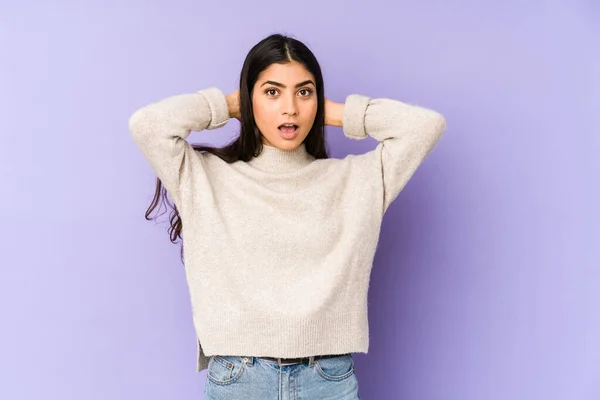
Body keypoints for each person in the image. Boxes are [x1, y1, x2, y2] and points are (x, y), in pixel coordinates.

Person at [128, 33, 446, 400]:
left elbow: (426, 125)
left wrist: (335, 112)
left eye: (304, 92)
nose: (290, 109)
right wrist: (230, 104)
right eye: (272, 92)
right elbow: (148, 125)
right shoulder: (205, 177)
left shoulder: (357, 180)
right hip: (239, 378)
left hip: (327, 377)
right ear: (249, 98)